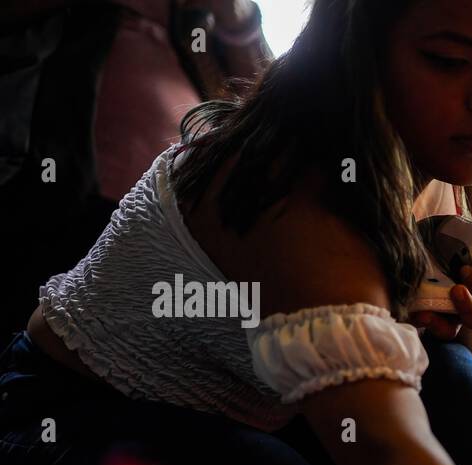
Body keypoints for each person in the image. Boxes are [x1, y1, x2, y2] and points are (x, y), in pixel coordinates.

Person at [0, 0, 472, 465]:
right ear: (359, 60)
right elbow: (385, 454)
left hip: (237, 417)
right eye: (447, 61)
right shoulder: (294, 191)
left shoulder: (444, 163)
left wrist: (458, 320)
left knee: (457, 388)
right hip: (56, 419)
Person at [0, 0, 272, 338]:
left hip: (187, 225)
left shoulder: (196, 19)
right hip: (71, 205)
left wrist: (238, 18)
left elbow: (262, 105)